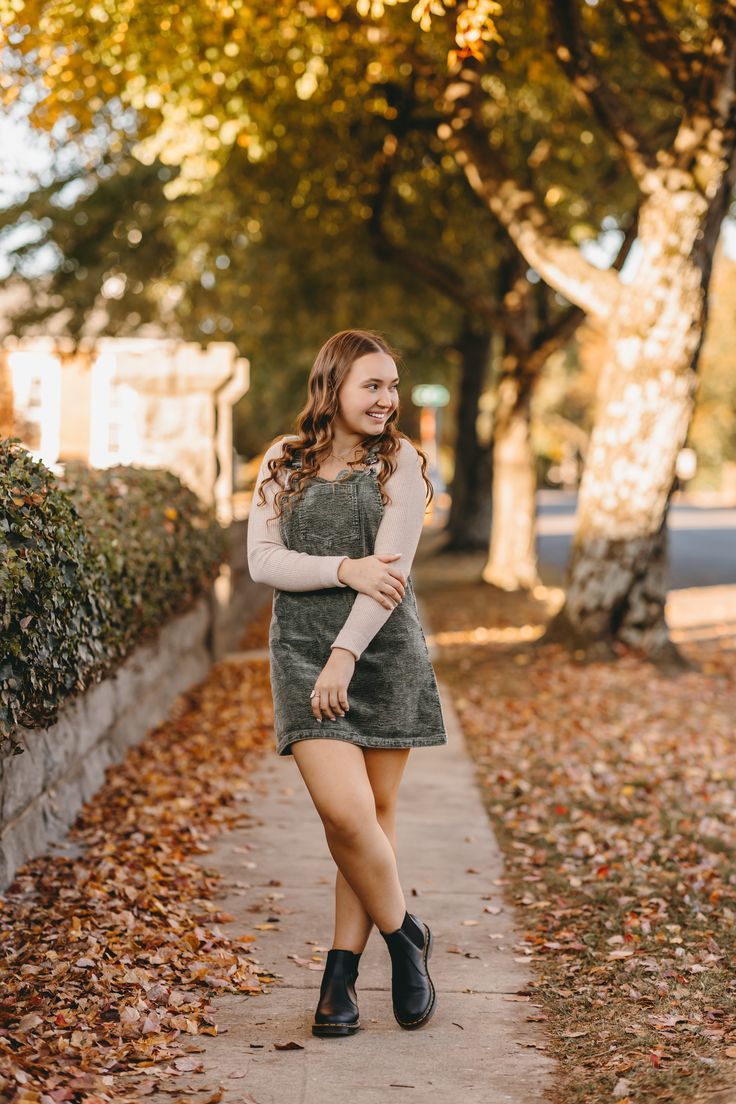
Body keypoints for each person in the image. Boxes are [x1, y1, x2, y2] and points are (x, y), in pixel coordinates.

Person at [246, 329, 448, 1037]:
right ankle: (405, 938)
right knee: (344, 815)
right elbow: (262, 561)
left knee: (373, 815)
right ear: (332, 387)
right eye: (373, 385)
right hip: (300, 654)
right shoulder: (283, 459)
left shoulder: (403, 462)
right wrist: (341, 568)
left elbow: (388, 578)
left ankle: (339, 975)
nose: (387, 399)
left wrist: (346, 653)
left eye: (392, 386)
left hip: (380, 651)